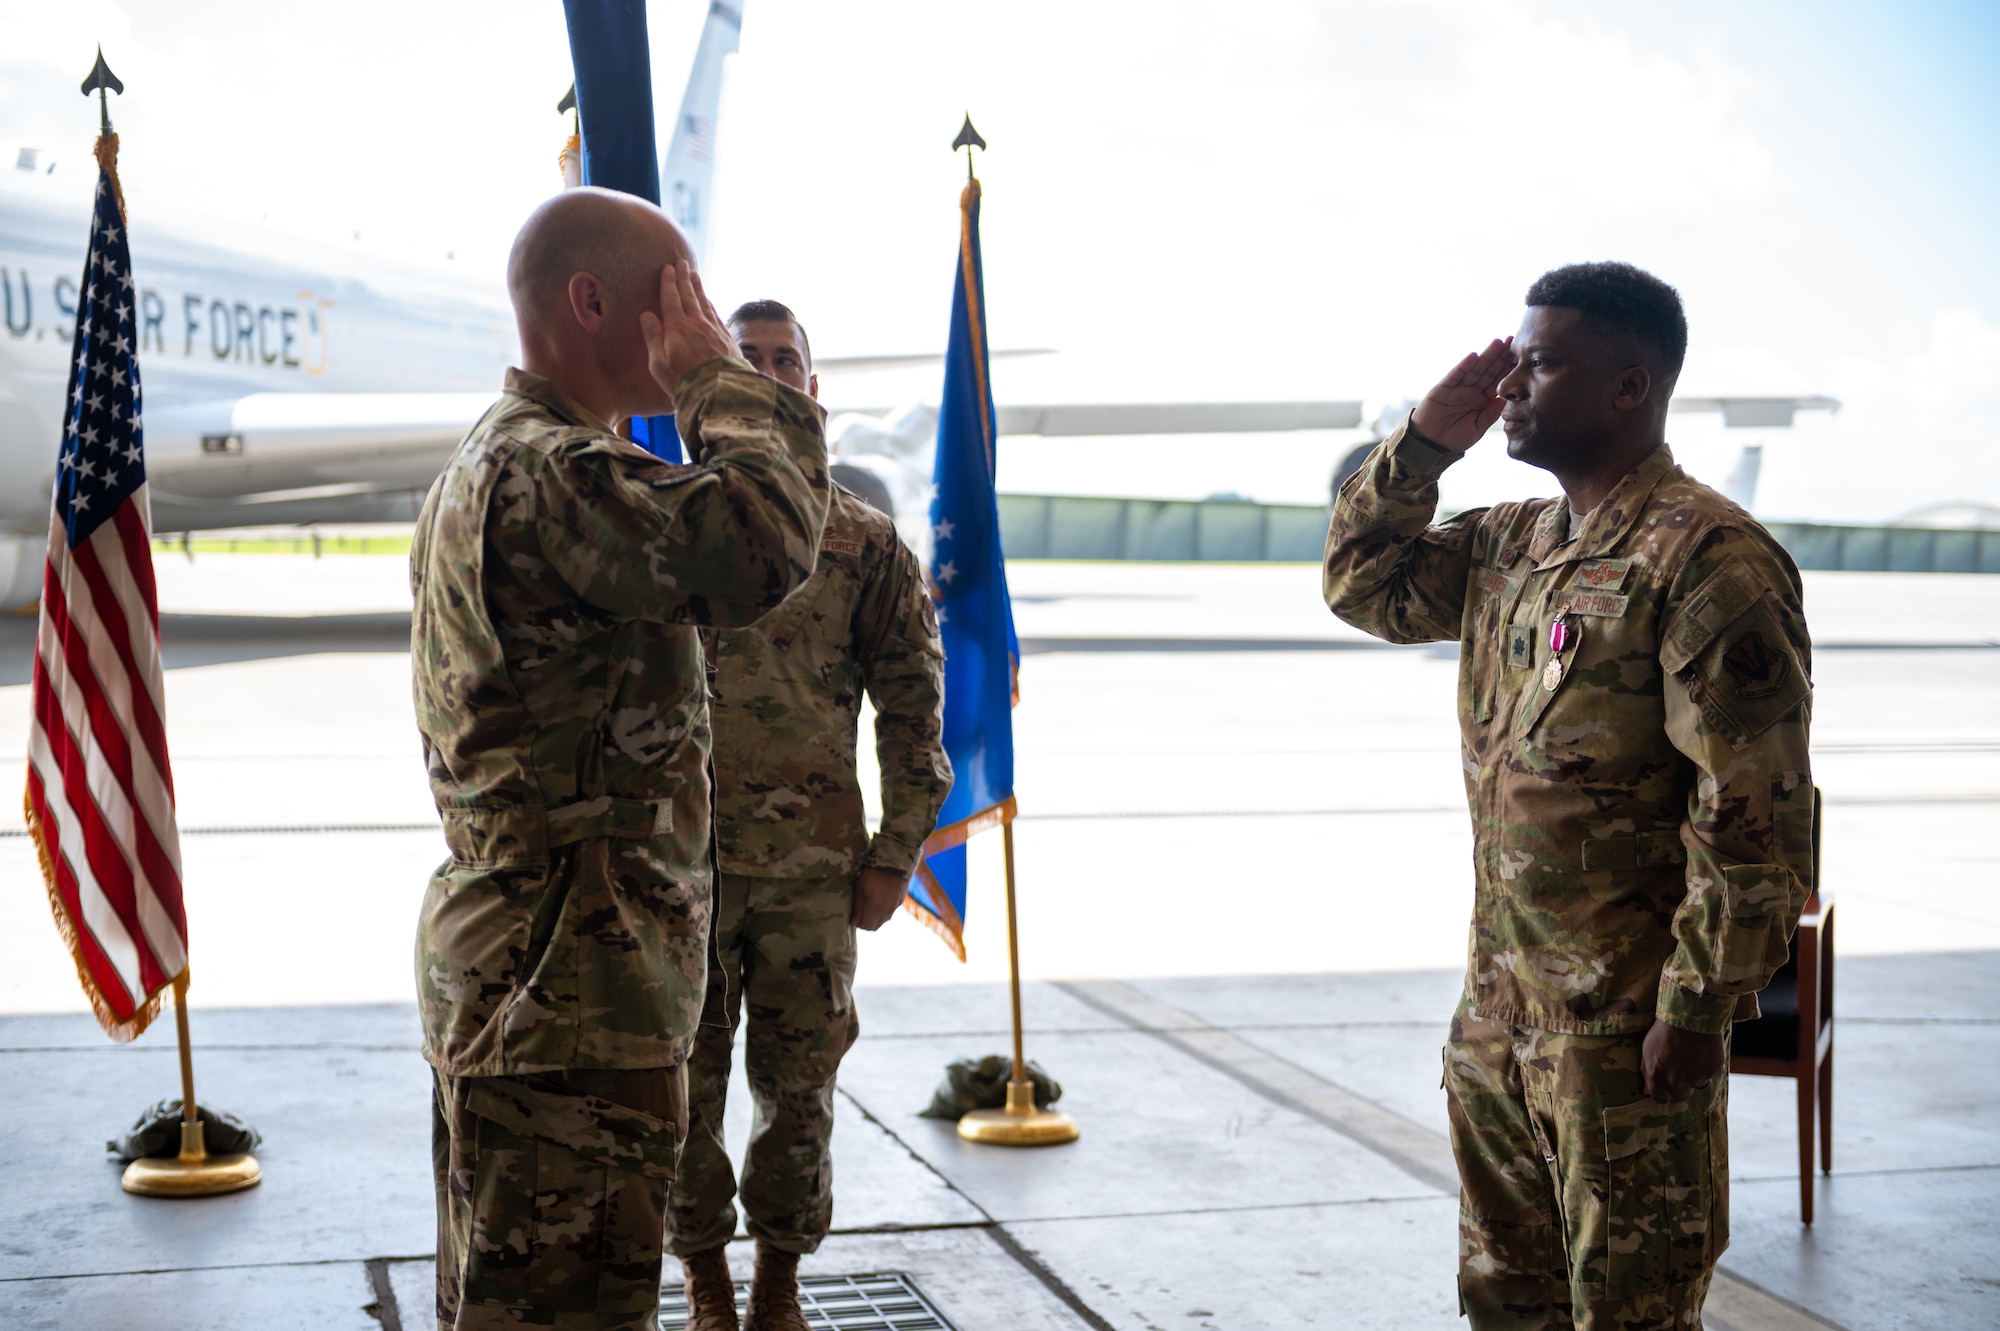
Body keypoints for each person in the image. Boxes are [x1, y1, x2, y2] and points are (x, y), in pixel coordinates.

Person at [1323, 263, 1814, 1330]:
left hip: (1623, 1035)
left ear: (1627, 388)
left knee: (1628, 1313)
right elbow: (1362, 583)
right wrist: (1421, 443)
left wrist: (1695, 1010)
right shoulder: (1514, 542)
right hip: (1498, 1019)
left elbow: (1753, 811)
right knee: (1506, 1300)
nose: (1508, 387)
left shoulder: (1708, 557)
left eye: (1536, 364)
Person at [411, 188, 831, 1331]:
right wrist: (716, 380)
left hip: (536, 977)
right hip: (568, 994)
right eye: (676, 297)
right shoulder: (555, 474)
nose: (693, 318)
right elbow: (765, 542)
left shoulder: (503, 460)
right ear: (592, 301)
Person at [666, 300, 951, 1331]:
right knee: (679, 1097)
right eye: (746, 359)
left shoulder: (866, 543)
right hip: (679, 875)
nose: (770, 371)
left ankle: (778, 1282)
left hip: (811, 878)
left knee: (799, 1097)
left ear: (812, 391)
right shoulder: (669, 519)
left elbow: (915, 708)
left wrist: (893, 855)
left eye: (786, 359)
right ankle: (702, 1283)